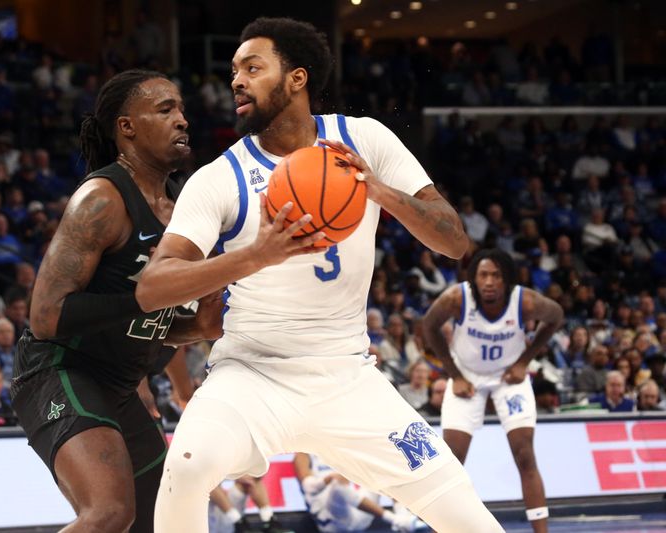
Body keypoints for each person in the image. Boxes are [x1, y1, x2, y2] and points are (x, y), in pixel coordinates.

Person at [138, 18, 501, 533]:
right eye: (233, 71)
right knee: (188, 465)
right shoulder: (220, 177)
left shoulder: (365, 138)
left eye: (252, 67)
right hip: (251, 373)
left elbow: (455, 241)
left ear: (297, 78)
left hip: (348, 377)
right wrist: (253, 256)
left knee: (467, 514)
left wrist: (379, 192)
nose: (236, 80)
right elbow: (152, 287)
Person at [10, 69, 223, 533]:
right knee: (108, 513)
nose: (182, 120)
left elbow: (161, 322)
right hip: (60, 370)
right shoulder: (102, 199)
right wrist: (147, 296)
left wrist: (205, 321)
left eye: (182, 109)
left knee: (158, 520)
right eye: (165, 109)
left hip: (120, 385)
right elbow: (47, 318)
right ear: (126, 127)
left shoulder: (185, 210)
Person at [422, 248, 564, 533]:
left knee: (524, 454)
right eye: (483, 275)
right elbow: (429, 326)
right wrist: (455, 374)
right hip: (467, 376)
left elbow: (557, 317)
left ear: (507, 280)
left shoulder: (525, 302)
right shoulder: (456, 298)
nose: (489, 281)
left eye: (496, 276)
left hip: (508, 377)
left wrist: (525, 360)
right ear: (474, 278)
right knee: (452, 459)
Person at [294, 452, 425, 532]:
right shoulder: (302, 454)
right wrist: (329, 478)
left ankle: (404, 519)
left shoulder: (338, 445)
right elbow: (308, 487)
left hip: (360, 514)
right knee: (337, 483)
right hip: (332, 521)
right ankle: (395, 520)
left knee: (381, 469)